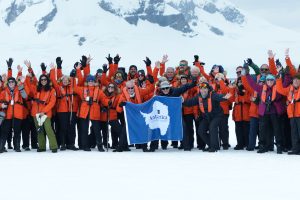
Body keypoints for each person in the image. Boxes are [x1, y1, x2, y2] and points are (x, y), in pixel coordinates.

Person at [244, 66, 284, 154]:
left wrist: (280, 73)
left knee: (277, 129)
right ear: (266, 81)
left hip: (274, 112)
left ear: (274, 81)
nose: (269, 82)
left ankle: (279, 146)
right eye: (268, 80)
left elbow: (283, 85)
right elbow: (252, 84)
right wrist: (247, 74)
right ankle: (262, 146)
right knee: (263, 130)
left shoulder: (278, 88)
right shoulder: (262, 88)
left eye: (271, 80)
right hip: (264, 112)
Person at [149, 77, 197, 151]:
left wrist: (193, 83)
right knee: (157, 127)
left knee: (183, 127)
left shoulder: (175, 91)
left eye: (167, 88)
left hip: (176, 115)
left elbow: (185, 87)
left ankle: (186, 146)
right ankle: (155, 146)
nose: (165, 90)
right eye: (163, 88)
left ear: (170, 87)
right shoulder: (158, 95)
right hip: (164, 116)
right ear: (161, 89)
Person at [183, 82, 232, 152]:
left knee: (212, 127)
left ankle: (214, 147)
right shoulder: (198, 97)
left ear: (208, 89)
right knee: (201, 131)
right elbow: (190, 102)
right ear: (199, 90)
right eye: (201, 89)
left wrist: (224, 97)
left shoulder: (213, 95)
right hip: (207, 117)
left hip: (217, 116)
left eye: (205, 89)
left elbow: (219, 97)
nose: (203, 91)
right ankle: (212, 145)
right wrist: (181, 101)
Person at [115, 77, 155, 152]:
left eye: (132, 88)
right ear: (126, 88)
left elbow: (150, 89)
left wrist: (152, 83)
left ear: (134, 87)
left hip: (140, 115)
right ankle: (120, 147)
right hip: (130, 117)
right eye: (129, 88)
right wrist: (120, 105)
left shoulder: (140, 91)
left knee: (143, 130)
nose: (130, 90)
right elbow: (118, 110)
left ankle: (144, 147)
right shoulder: (123, 96)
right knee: (125, 131)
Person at [50, 63, 79, 151]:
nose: (65, 81)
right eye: (64, 80)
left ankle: (71, 144)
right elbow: (53, 80)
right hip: (62, 111)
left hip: (71, 110)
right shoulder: (59, 88)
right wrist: (52, 70)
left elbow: (73, 80)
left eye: (67, 80)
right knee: (63, 128)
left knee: (71, 128)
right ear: (62, 81)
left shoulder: (72, 87)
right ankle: (62, 143)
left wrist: (75, 72)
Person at [29, 73, 58, 153]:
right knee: (39, 130)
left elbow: (52, 102)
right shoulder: (36, 89)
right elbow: (29, 84)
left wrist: (43, 111)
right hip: (36, 113)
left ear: (47, 80)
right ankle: (42, 147)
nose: (43, 81)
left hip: (46, 113)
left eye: (45, 79)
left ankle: (54, 146)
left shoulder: (52, 90)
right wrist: (29, 72)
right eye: (42, 80)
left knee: (49, 129)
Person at [0, 76, 29, 153]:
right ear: (7, 83)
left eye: (13, 82)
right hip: (7, 114)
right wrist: (1, 105)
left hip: (18, 114)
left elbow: (25, 96)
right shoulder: (3, 92)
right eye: (9, 82)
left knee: (17, 131)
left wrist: (22, 85)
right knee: (4, 131)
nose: (11, 83)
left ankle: (17, 146)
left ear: (15, 83)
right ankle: (1, 146)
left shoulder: (19, 90)